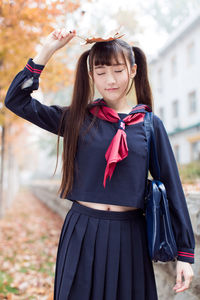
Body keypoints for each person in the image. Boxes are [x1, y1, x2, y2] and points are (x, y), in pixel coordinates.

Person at [4, 28, 195, 300]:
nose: (110, 80)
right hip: (82, 233)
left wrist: (185, 255)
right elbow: (16, 101)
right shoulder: (78, 119)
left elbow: (172, 188)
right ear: (91, 75)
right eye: (101, 71)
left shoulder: (150, 126)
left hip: (130, 237)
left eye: (117, 70)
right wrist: (46, 52)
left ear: (133, 70)